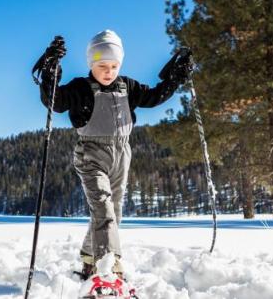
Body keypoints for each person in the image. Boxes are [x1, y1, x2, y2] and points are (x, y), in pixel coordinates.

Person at [34, 29, 192, 281]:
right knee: (104, 210)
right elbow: (55, 100)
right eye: (102, 65)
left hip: (122, 153)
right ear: (91, 64)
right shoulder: (80, 88)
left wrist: (175, 78)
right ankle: (109, 268)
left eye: (114, 65)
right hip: (91, 155)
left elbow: (153, 97)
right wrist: (51, 69)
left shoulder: (127, 86)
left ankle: (88, 260)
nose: (108, 71)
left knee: (112, 213)